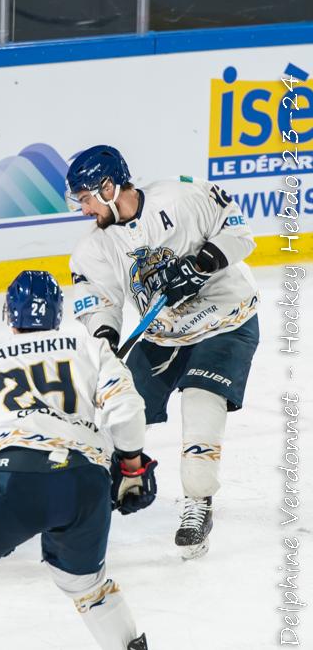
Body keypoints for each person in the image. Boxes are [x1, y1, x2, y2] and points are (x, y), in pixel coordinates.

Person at [0, 270, 153, 650]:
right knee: (86, 585)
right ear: (58, 313)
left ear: (9, 313)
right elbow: (127, 410)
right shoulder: (89, 347)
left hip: (12, 479)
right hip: (85, 481)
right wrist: (131, 468)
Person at [66, 145, 259, 559]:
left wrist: (201, 264)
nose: (82, 209)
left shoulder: (181, 197)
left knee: (201, 402)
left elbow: (240, 231)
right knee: (119, 408)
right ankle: (111, 483)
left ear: (107, 187)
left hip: (225, 319)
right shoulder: (92, 249)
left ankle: (198, 502)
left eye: (84, 198)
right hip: (163, 334)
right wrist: (106, 341)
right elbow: (99, 301)